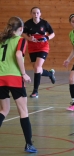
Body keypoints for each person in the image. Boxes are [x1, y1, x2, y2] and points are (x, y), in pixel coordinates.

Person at [0, 17, 37, 153]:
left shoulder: (2, 41)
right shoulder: (21, 40)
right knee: (23, 111)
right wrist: (23, 73)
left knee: (4, 110)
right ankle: (29, 144)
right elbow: (18, 54)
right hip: (14, 78)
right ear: (21, 29)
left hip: (0, 78)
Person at [22, 7, 56, 98]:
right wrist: (29, 38)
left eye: (37, 13)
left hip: (43, 47)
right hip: (32, 47)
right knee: (37, 69)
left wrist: (47, 38)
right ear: (31, 14)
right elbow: (23, 33)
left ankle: (35, 91)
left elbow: (52, 33)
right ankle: (50, 74)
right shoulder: (27, 24)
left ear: (40, 14)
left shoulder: (44, 23)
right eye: (34, 13)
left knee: (37, 68)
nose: (35, 14)